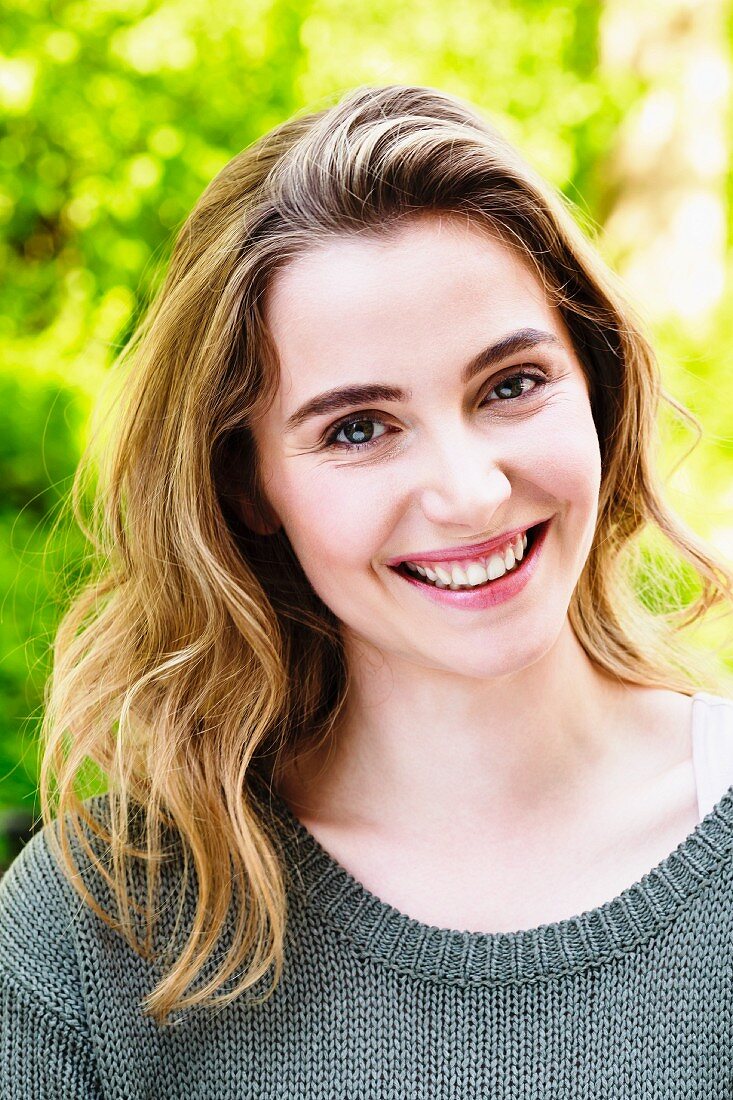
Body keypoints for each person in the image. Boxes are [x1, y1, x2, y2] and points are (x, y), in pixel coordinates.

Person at [2, 83, 733, 1098]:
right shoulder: (97, 931)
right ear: (248, 487)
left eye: (511, 384)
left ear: (598, 386)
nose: (469, 490)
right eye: (357, 427)